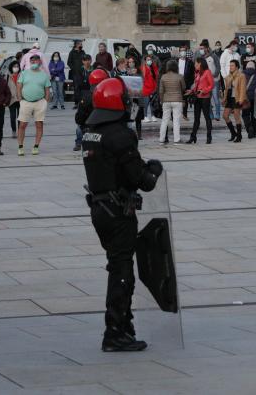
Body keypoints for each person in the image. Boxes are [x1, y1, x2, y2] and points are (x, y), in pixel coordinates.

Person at [81, 77, 164, 352]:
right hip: (118, 212)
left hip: (99, 208)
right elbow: (141, 179)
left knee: (116, 264)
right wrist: (152, 170)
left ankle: (125, 325)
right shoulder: (120, 135)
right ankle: (114, 331)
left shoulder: (91, 131)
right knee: (122, 271)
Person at [17, 54, 51, 156]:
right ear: (29, 62)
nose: (34, 63)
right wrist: (20, 99)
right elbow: (19, 86)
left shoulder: (44, 75)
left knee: (39, 124)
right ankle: (20, 147)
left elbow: (47, 89)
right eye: (32, 61)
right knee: (22, 125)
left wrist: (46, 101)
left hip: (40, 102)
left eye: (36, 61)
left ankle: (36, 146)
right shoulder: (24, 73)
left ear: (39, 62)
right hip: (26, 101)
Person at [74, 69, 109, 151]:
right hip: (106, 127)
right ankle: (78, 143)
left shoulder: (86, 98)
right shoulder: (109, 95)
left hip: (90, 126)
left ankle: (78, 143)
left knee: (79, 127)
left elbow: (79, 118)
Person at [186, 57, 214, 144]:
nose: (195, 65)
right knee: (196, 118)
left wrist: (204, 90)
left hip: (205, 98)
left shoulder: (207, 72)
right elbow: (197, 85)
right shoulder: (198, 73)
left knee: (207, 117)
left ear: (200, 64)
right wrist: (192, 90)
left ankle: (209, 137)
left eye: (196, 63)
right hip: (197, 97)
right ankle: (193, 136)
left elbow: (211, 85)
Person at [158, 59, 186, 144]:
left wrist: (161, 100)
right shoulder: (179, 76)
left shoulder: (163, 77)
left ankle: (161, 139)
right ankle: (176, 139)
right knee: (176, 120)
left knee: (164, 120)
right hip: (177, 100)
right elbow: (184, 88)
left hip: (166, 100)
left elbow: (161, 91)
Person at [222, 59, 247, 142]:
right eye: (230, 65)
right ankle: (233, 133)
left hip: (237, 98)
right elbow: (226, 89)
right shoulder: (229, 76)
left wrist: (241, 99)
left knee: (237, 116)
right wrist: (224, 98)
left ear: (236, 67)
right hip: (229, 98)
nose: (230, 67)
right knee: (225, 116)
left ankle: (239, 136)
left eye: (232, 65)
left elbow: (243, 88)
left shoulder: (241, 76)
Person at [242, 60, 256, 138]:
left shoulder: (242, 74)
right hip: (255, 98)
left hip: (245, 97)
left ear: (246, 67)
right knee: (254, 115)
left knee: (245, 114)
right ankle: (255, 132)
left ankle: (249, 128)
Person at [178, 45, 195, 120]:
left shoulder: (189, 62)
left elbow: (192, 73)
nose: (183, 52)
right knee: (177, 99)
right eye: (181, 50)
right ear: (179, 52)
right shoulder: (175, 61)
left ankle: (185, 114)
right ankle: (176, 114)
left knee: (185, 99)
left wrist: (191, 83)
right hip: (177, 82)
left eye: (184, 50)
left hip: (186, 82)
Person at [141, 54, 159, 123]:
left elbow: (156, 75)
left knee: (152, 103)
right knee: (146, 103)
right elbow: (143, 78)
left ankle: (152, 115)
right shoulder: (143, 68)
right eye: (148, 60)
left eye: (150, 60)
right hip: (146, 88)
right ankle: (145, 116)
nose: (149, 61)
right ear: (145, 61)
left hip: (153, 88)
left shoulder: (153, 68)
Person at [67, 40, 85, 107]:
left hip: (82, 73)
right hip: (75, 73)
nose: (81, 45)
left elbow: (85, 60)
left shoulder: (83, 52)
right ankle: (76, 103)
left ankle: (82, 102)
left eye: (81, 44)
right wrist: (74, 69)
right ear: (76, 45)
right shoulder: (72, 52)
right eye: (80, 44)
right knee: (76, 88)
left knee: (82, 88)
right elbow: (69, 62)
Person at [6, 60, 21, 138]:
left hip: (20, 98)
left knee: (20, 117)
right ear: (11, 67)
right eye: (14, 66)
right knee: (12, 117)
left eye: (17, 66)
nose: (16, 68)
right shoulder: (8, 76)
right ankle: (14, 131)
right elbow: (6, 87)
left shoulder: (22, 75)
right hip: (11, 99)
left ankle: (20, 131)